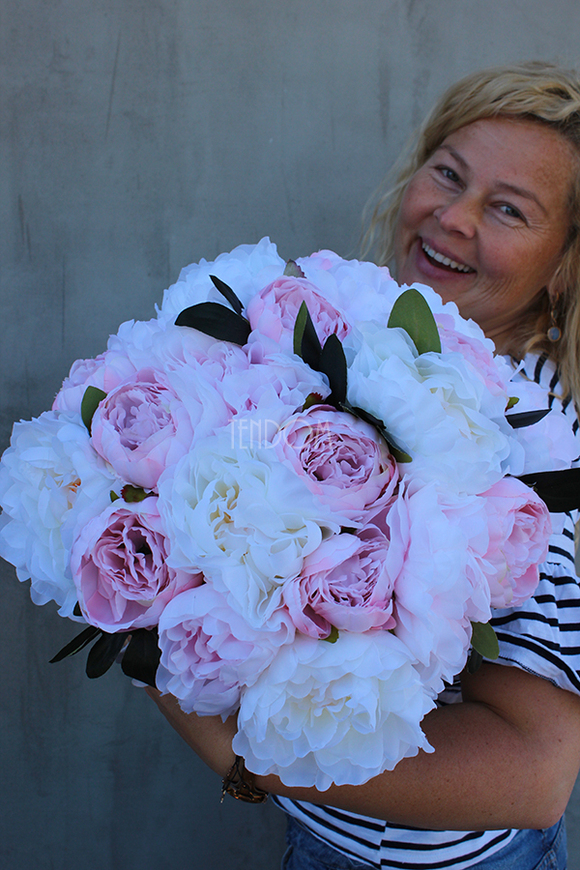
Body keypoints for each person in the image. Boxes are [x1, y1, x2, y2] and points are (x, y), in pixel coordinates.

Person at [147, 62, 580, 869]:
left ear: (562, 264)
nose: (451, 217)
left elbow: (534, 772)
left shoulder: (534, 448)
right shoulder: (378, 354)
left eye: (508, 209)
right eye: (446, 174)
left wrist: (243, 759)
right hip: (334, 839)